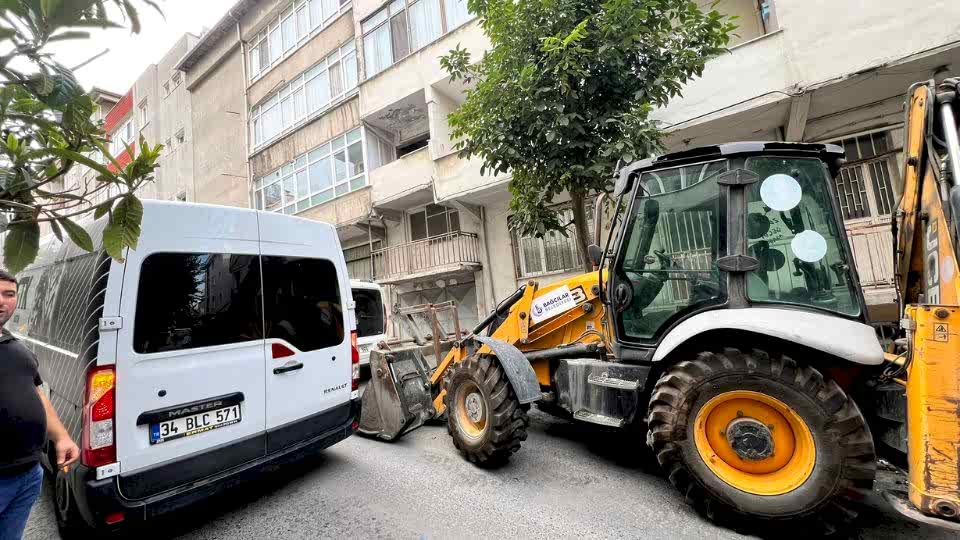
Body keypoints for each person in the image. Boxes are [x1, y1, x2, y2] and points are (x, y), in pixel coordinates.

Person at [0, 270, 79, 540]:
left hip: (29, 474)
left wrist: (62, 437)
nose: (2, 301)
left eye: (9, 294)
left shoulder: (17, 348)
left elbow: (36, 393)